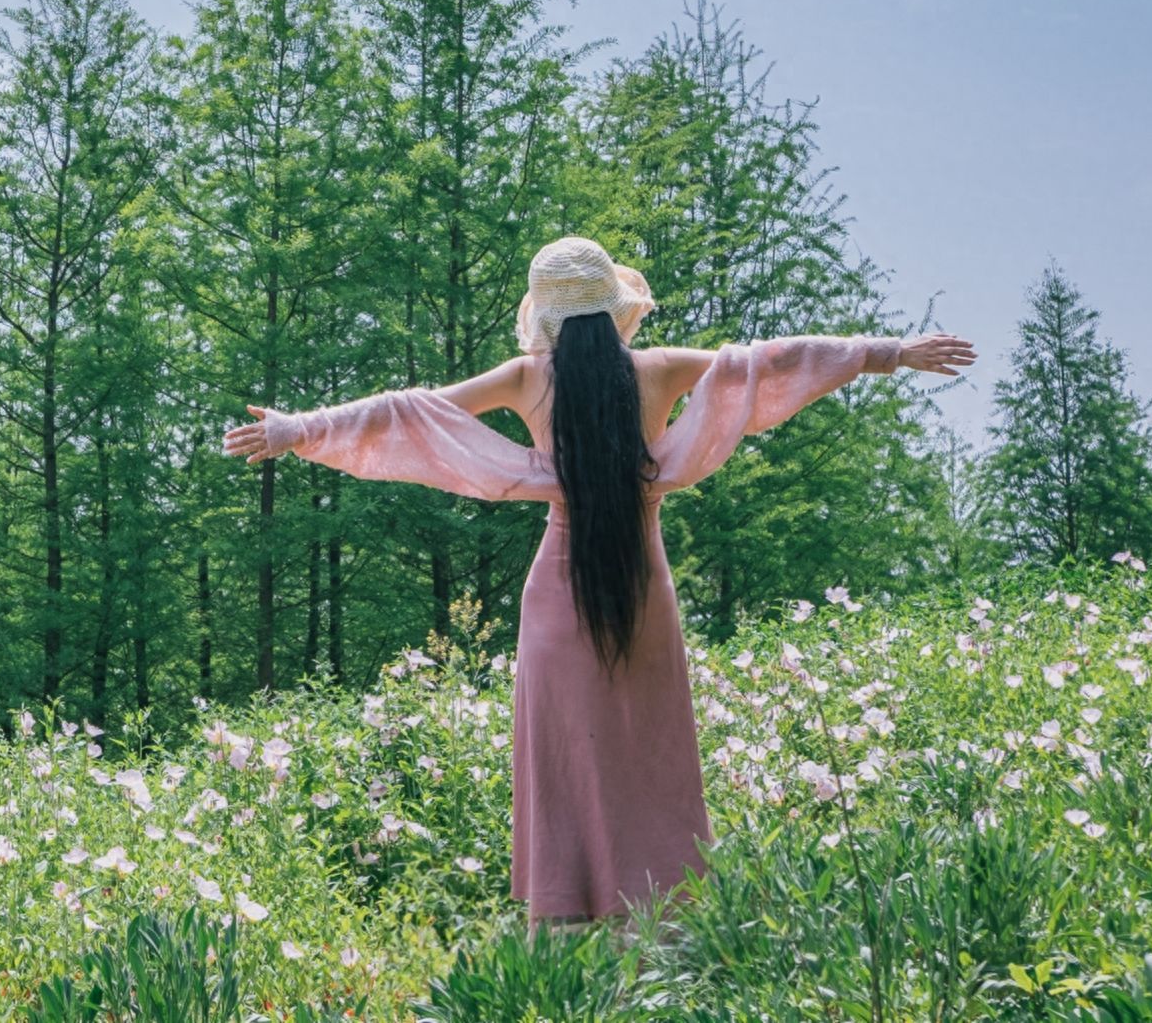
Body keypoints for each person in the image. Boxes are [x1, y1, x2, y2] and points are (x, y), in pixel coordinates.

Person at [222, 235, 976, 942]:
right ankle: (664, 920)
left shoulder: (528, 376)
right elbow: (771, 363)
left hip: (558, 589)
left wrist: (300, 428)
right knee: (651, 750)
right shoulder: (656, 369)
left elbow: (408, 410)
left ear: (544, 316)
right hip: (643, 586)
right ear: (615, 306)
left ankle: (563, 919)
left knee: (563, 753)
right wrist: (891, 352)